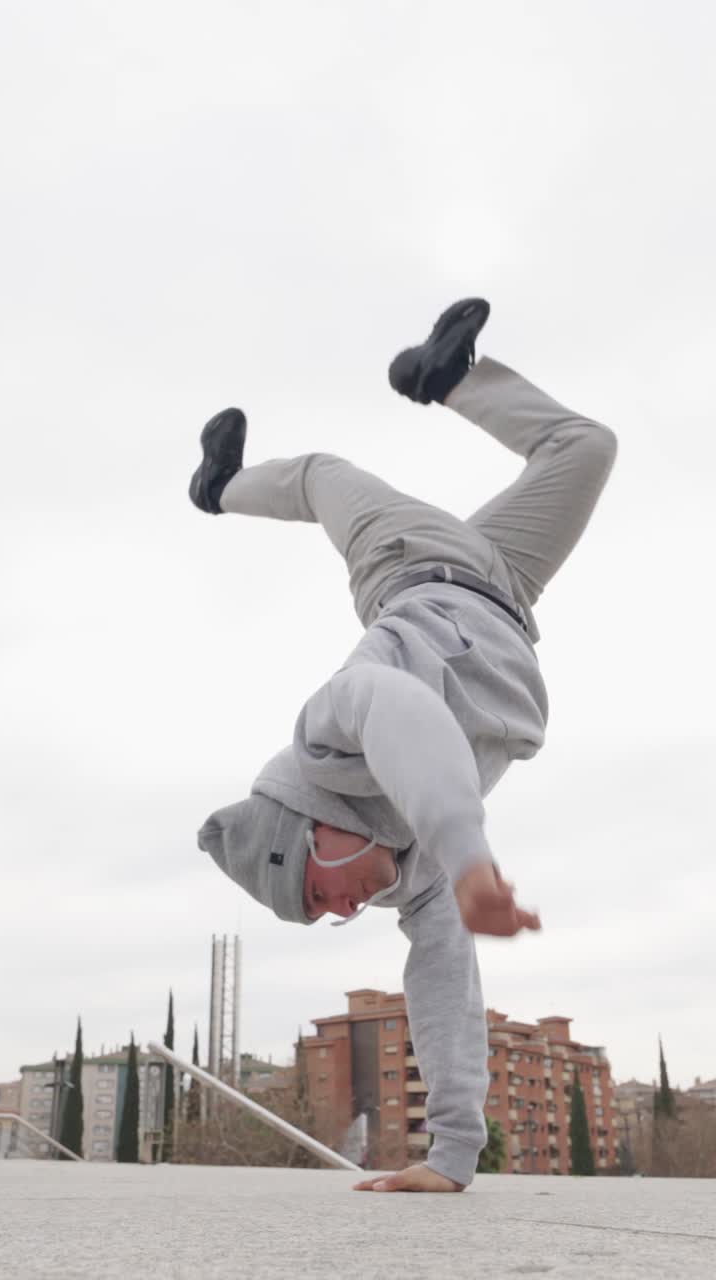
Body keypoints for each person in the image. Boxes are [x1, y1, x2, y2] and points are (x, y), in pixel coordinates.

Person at [190, 298, 617, 1192]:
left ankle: (218, 489)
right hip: (505, 586)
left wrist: (470, 858)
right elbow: (444, 992)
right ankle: (449, 375)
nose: (344, 909)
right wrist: (452, 1158)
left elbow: (405, 716)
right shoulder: (414, 877)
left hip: (408, 561)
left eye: (319, 893)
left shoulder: (326, 743)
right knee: (586, 447)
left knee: (317, 472)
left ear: (312, 829)